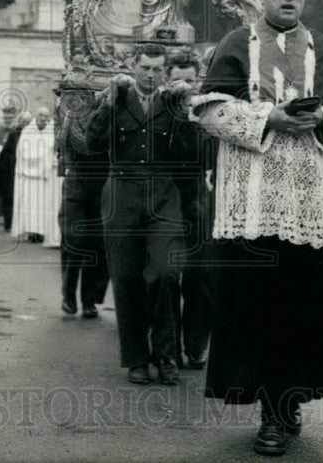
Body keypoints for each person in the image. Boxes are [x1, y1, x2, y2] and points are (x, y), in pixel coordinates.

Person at [190, 0, 323, 456]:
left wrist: (320, 120)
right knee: (258, 308)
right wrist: (267, 118)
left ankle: (288, 405)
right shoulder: (235, 43)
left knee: (303, 307)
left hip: (309, 200)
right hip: (251, 201)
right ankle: (269, 410)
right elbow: (208, 109)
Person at [85, 43, 198, 387]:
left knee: (165, 273)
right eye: (145, 68)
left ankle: (165, 354)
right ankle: (136, 359)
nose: (151, 75)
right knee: (127, 277)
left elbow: (190, 154)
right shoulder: (116, 98)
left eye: (157, 69)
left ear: (165, 71)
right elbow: (93, 143)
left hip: (163, 195)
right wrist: (108, 102)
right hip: (121, 193)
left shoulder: (170, 103)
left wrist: (184, 113)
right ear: (133, 67)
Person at [166, 53, 215, 370]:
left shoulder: (210, 116)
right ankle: (169, 346)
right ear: (167, 81)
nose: (184, 85)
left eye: (190, 79)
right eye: (177, 79)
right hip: (165, 203)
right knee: (166, 278)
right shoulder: (157, 115)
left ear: (199, 82)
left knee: (201, 277)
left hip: (198, 202)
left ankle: (196, 345)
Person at [57, 85, 110, 319]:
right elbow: (70, 145)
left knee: (98, 245)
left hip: (103, 185)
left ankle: (89, 299)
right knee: (74, 239)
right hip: (77, 182)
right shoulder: (73, 118)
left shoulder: (109, 117)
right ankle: (68, 294)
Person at [13, 106, 63, 247]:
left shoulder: (50, 132)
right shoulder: (27, 131)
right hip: (29, 176)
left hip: (45, 176)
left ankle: (41, 232)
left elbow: (52, 151)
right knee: (30, 205)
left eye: (46, 116)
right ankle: (30, 231)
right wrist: (40, 157)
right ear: (36, 115)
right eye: (41, 115)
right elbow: (22, 152)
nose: (43, 119)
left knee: (43, 206)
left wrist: (47, 159)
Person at [0, 111, 30, 233]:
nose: (26, 124)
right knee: (10, 196)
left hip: (25, 168)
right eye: (24, 121)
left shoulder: (31, 134)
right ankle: (9, 223)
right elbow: (6, 152)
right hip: (11, 168)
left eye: (28, 121)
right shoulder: (14, 133)